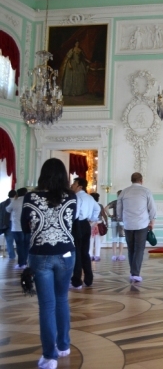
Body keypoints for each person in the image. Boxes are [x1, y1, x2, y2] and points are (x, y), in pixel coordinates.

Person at [21, 158, 77, 369]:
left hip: (40, 254)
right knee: (62, 299)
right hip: (66, 254)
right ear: (64, 176)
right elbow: (71, 223)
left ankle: (50, 356)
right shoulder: (71, 196)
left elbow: (25, 229)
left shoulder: (30, 196)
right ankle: (64, 346)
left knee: (47, 305)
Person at [117, 172, 156, 283]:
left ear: (131, 180)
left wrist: (121, 219)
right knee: (139, 249)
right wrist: (152, 221)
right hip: (141, 224)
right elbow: (152, 208)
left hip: (128, 224)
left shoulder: (124, 192)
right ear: (141, 180)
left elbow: (119, 208)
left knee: (131, 248)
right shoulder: (146, 191)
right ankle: (135, 273)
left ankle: (132, 272)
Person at [70, 177, 99, 289]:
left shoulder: (76, 197)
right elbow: (97, 209)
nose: (72, 185)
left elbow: (75, 214)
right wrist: (92, 218)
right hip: (86, 225)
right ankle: (88, 279)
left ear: (80, 186)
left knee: (77, 253)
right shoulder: (90, 198)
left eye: (74, 183)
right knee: (85, 253)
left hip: (77, 225)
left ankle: (77, 281)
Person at [7, 187, 28, 269]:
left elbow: (8, 209)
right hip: (27, 228)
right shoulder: (28, 201)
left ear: (17, 194)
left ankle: (21, 263)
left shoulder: (16, 201)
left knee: (19, 246)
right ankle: (25, 262)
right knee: (26, 246)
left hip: (17, 227)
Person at [105, 189, 126, 261]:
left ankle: (114, 255)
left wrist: (109, 215)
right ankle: (120, 255)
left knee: (114, 239)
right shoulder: (125, 203)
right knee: (121, 239)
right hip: (122, 222)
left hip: (114, 221)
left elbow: (106, 208)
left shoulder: (114, 202)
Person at [89, 193, 107, 261]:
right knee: (98, 240)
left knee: (90, 239)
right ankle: (97, 255)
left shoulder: (89, 205)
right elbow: (104, 215)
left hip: (91, 223)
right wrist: (106, 223)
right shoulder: (100, 205)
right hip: (99, 223)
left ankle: (90, 254)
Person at [0, 190, 15, 260]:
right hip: (13, 223)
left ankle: (12, 256)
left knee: (9, 242)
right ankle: (12, 256)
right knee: (11, 242)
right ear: (16, 195)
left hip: (3, 224)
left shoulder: (2, 203)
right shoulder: (17, 203)